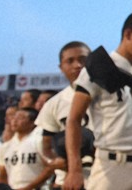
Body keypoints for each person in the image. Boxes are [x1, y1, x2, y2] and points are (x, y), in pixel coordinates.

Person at [63, 10, 132, 190]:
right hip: (112, 166)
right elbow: (74, 119)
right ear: (128, 34)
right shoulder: (98, 68)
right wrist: (74, 169)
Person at [36, 41, 91, 189]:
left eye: (83, 59)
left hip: (105, 175)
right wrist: (56, 160)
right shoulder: (54, 103)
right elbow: (46, 147)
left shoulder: (110, 96)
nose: (77, 65)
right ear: (61, 67)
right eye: (70, 61)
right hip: (67, 180)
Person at [0, 107, 53, 190]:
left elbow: (50, 167)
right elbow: (2, 175)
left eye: (20, 118)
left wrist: (28, 187)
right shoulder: (6, 146)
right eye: (14, 117)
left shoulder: (39, 140)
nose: (15, 121)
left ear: (32, 123)